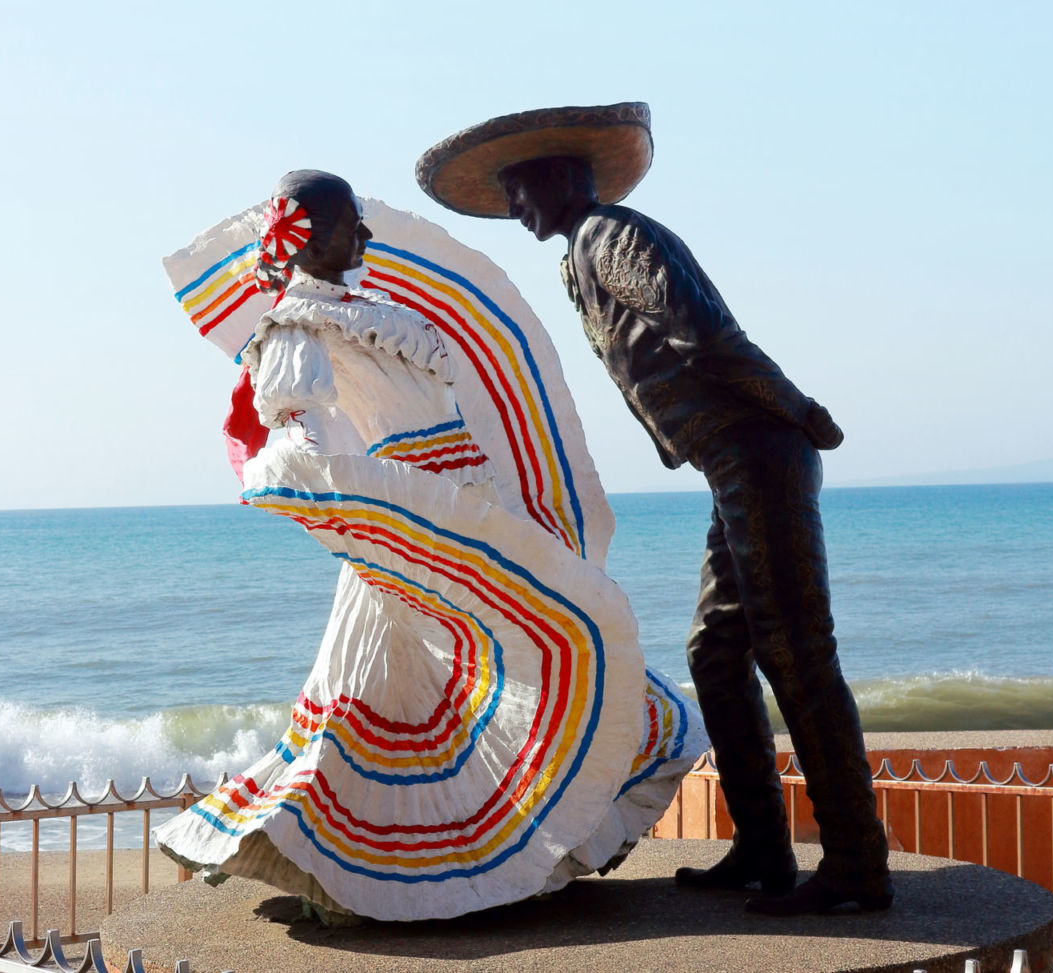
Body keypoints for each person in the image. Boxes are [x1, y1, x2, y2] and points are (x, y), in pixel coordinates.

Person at [155, 169, 707, 922]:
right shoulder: (294, 328)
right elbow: (297, 431)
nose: (368, 235)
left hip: (462, 521)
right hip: (410, 534)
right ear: (312, 237)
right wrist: (353, 495)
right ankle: (385, 878)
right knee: (433, 694)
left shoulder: (371, 311)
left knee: (517, 681)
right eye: (353, 222)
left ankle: (486, 867)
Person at [415, 103, 892, 915]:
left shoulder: (612, 238)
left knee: (797, 653)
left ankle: (855, 862)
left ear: (564, 179)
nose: (518, 211)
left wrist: (799, 408)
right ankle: (765, 849)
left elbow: (700, 332)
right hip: (730, 460)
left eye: (522, 191)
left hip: (758, 449)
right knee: (716, 651)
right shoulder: (582, 255)